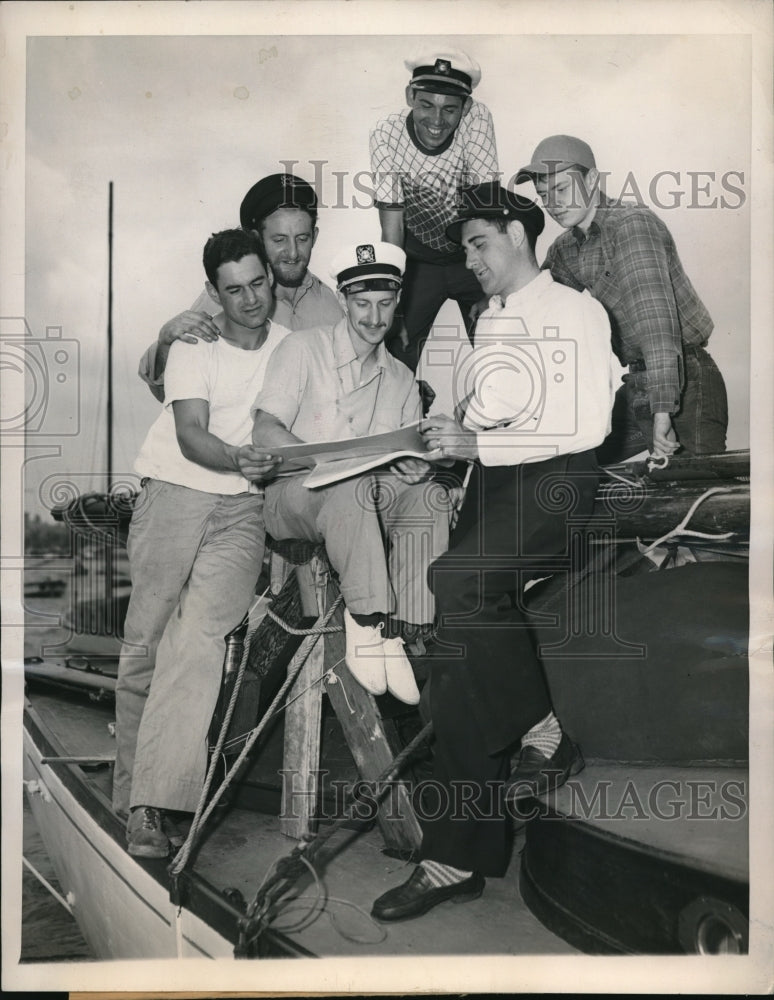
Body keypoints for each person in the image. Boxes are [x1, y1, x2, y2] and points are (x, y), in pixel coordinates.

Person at [370, 182, 616, 922]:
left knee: (455, 579)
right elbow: (493, 421)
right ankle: (457, 858)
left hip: (558, 485)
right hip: (498, 485)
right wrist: (443, 451)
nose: (468, 260)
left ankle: (541, 719)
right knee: (458, 656)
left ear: (516, 233)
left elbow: (585, 425)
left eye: (477, 243)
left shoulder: (575, 310)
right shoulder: (490, 321)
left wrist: (481, 443)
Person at [113, 229, 286, 857]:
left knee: (199, 643)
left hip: (243, 510)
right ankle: (133, 791)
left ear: (272, 275)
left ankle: (150, 807)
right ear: (214, 291)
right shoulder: (196, 340)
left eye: (258, 284)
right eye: (233, 289)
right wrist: (242, 457)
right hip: (174, 493)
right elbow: (191, 435)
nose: (249, 301)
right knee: (144, 648)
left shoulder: (295, 350)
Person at [251, 242, 451, 706]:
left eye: (385, 304)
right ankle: (366, 622)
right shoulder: (302, 349)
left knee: (430, 497)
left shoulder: (402, 378)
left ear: (397, 302)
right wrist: (327, 460)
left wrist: (414, 468)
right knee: (354, 486)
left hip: (364, 496)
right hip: (292, 494)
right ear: (343, 301)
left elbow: (402, 463)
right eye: (362, 304)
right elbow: (264, 432)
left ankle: (401, 628)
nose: (374, 316)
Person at [516, 134, 728, 462]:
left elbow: (657, 328)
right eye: (544, 195)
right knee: (569, 456)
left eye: (561, 189)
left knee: (694, 493)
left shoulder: (631, 225)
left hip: (686, 382)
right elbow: (537, 304)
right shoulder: (566, 248)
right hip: (638, 382)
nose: (553, 204)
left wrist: (663, 413)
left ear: (592, 179)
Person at [138, 173, 343, 402]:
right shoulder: (226, 300)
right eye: (279, 240)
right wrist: (165, 345)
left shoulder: (333, 305)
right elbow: (168, 393)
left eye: (302, 238)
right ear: (256, 238)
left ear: (314, 237)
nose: (293, 253)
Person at [369, 49, 499, 371]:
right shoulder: (386, 134)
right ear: (410, 95)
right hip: (418, 262)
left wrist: (492, 289)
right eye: (426, 104)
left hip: (470, 258)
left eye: (450, 109)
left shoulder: (477, 119)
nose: (437, 121)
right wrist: (394, 306)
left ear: (466, 108)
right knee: (396, 351)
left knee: (500, 342)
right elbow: (392, 230)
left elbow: (487, 211)